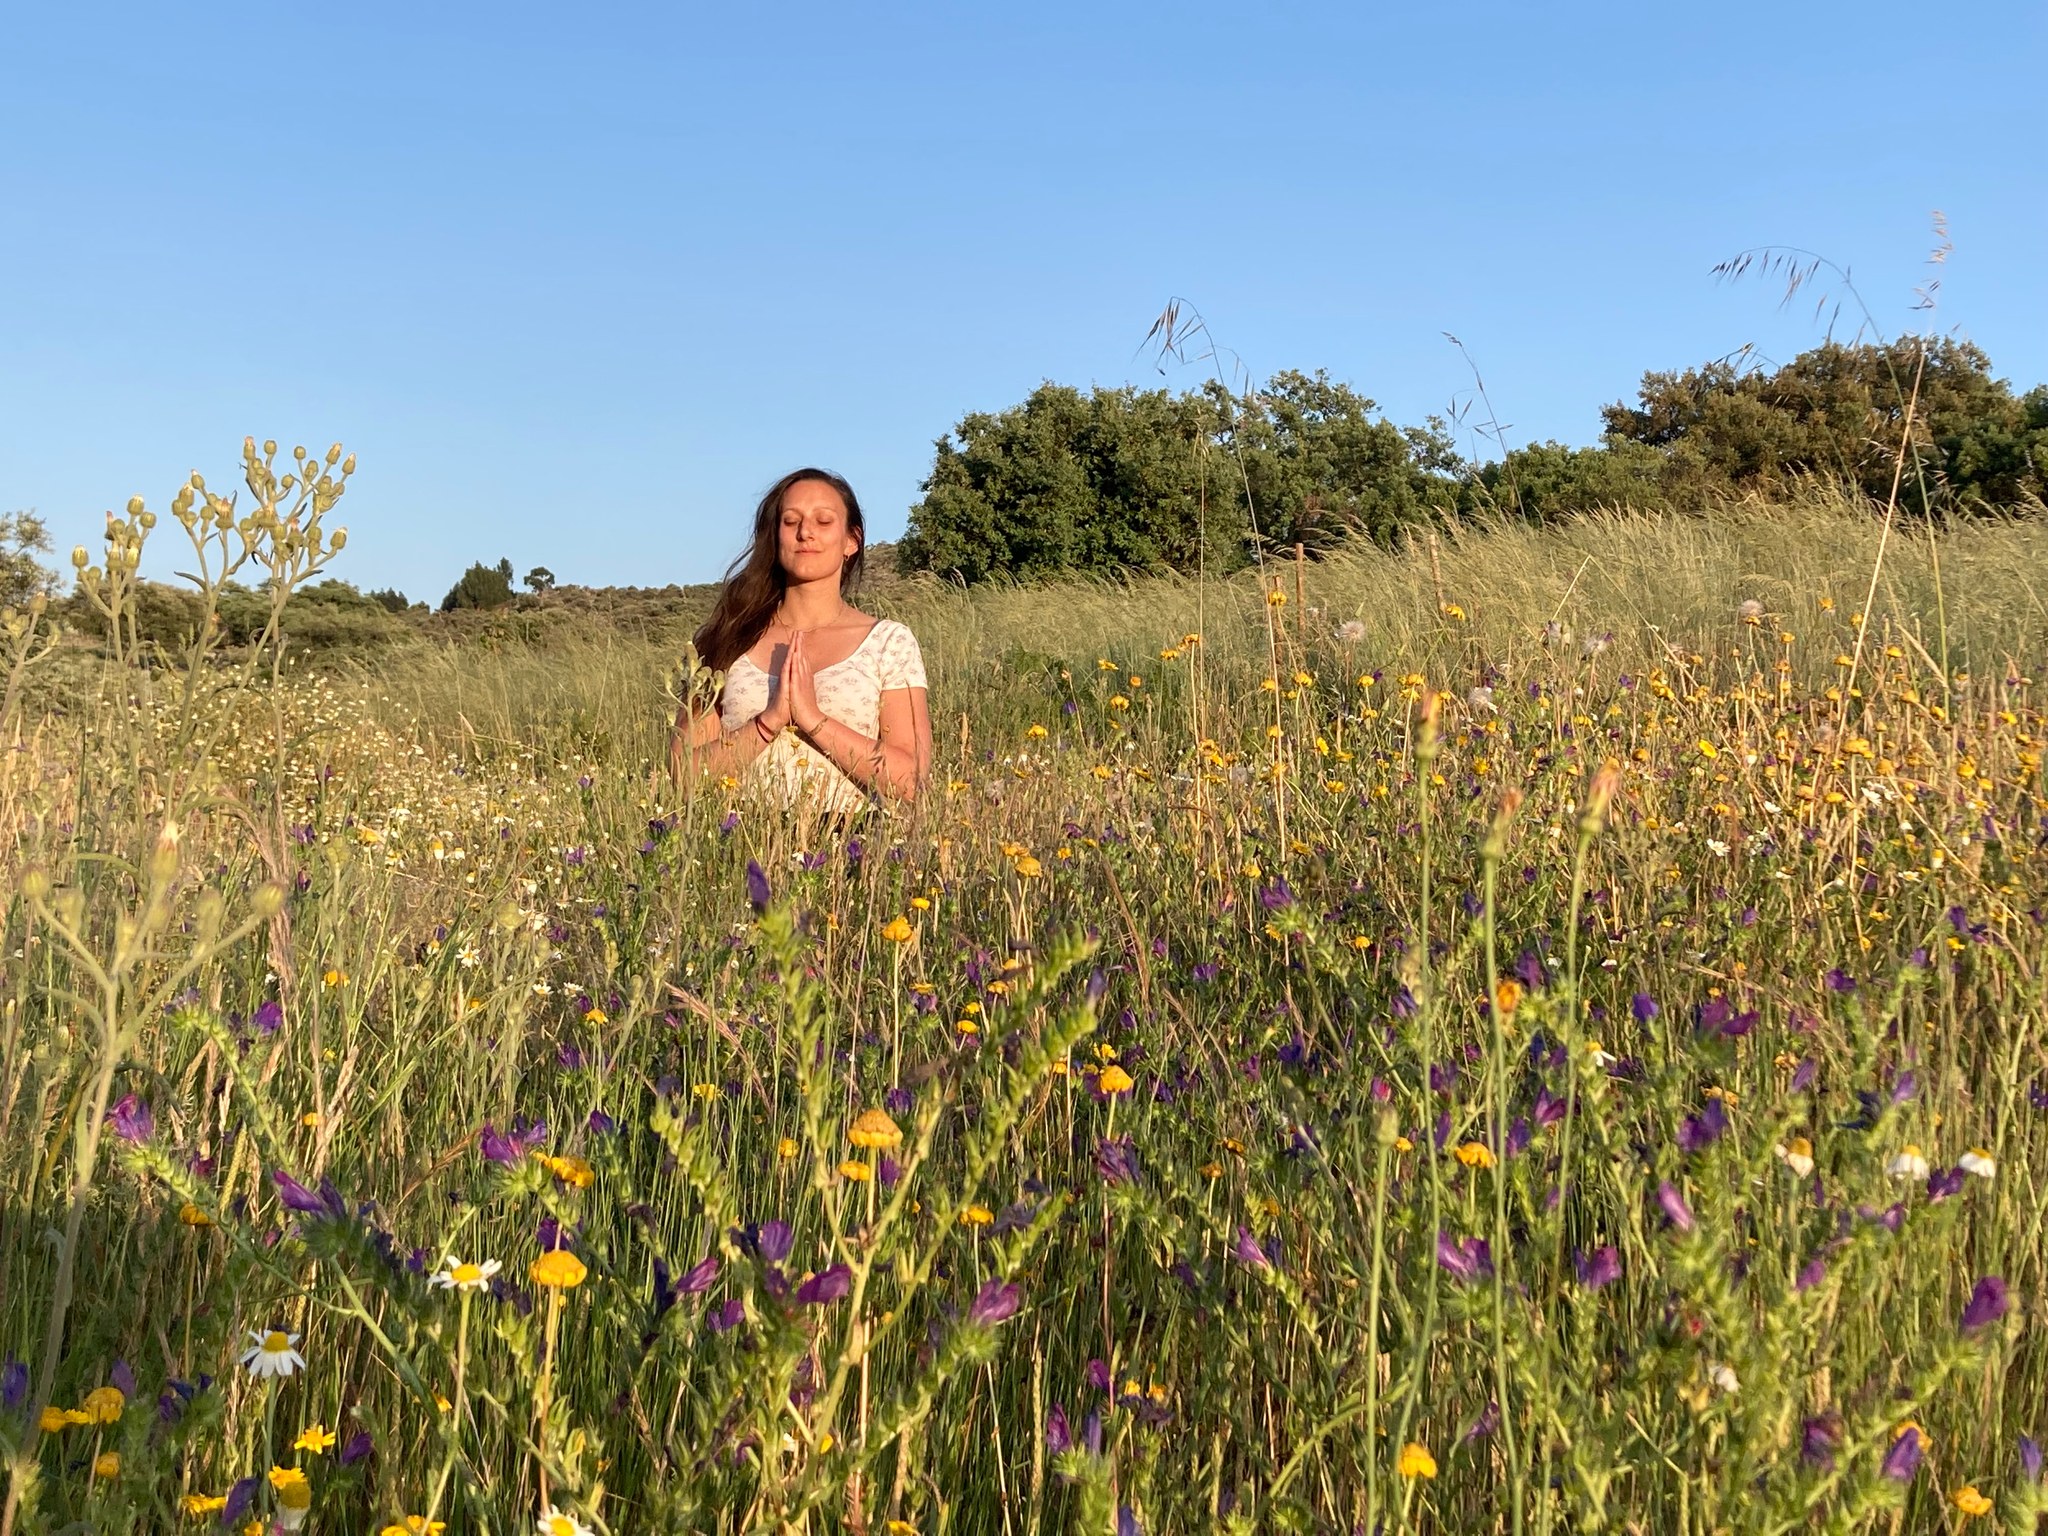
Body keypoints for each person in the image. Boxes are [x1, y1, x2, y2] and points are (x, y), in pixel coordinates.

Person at [671, 468, 931, 813]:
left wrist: (813, 719)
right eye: (791, 522)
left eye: (824, 522)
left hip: (852, 847)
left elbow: (910, 780)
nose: (806, 533)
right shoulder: (726, 637)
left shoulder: (889, 642)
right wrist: (769, 721)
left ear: (851, 540)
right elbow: (681, 774)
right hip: (738, 840)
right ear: (775, 537)